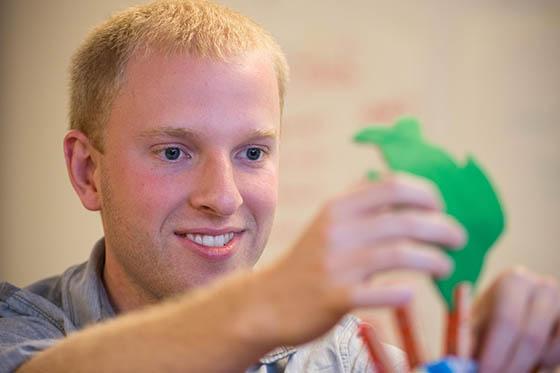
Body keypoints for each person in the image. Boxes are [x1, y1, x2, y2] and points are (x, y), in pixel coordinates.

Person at [0, 1, 558, 372]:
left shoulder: (344, 355)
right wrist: (265, 306)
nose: (223, 198)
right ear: (86, 171)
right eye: (173, 151)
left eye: (252, 153)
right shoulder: (19, 329)